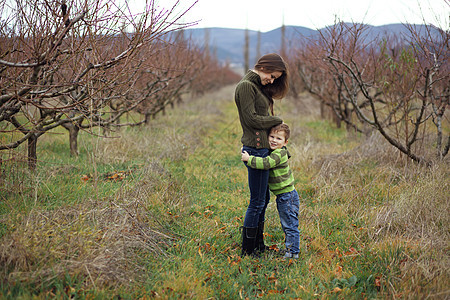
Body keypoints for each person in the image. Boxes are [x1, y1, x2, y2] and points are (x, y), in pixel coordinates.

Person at [234, 53, 289, 256]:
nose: (272, 80)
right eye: (272, 76)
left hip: (261, 148)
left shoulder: (257, 86)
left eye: (275, 78)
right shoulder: (246, 86)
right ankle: (248, 249)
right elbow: (251, 120)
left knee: (263, 199)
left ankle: (258, 244)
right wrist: (277, 120)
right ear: (264, 67)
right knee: (257, 201)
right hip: (255, 149)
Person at [241, 123, 300, 259]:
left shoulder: (279, 154)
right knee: (287, 224)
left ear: (285, 142)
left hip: (288, 196)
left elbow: (266, 163)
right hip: (283, 196)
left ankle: (293, 253)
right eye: (271, 136)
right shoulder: (274, 151)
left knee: (290, 225)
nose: (274, 140)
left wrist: (249, 159)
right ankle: (291, 250)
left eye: (278, 138)